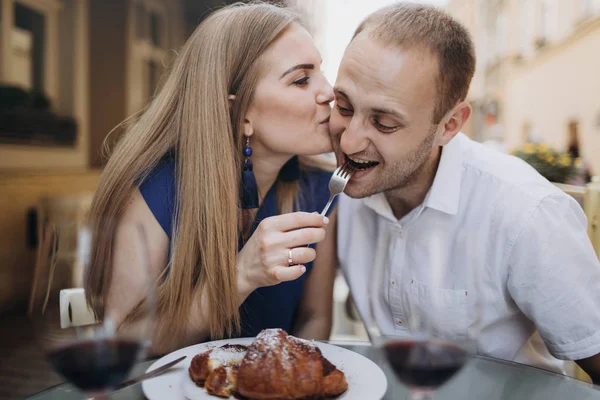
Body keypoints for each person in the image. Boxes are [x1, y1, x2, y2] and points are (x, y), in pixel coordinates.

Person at [330, 3, 600, 382]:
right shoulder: (339, 193)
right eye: (342, 105)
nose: (349, 139)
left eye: (385, 122)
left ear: (450, 125)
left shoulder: (526, 213)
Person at [85, 2, 338, 354]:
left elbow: (314, 319)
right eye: (301, 79)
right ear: (239, 113)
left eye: (321, 72)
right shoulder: (155, 190)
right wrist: (242, 275)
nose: (329, 92)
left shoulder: (321, 188)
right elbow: (125, 338)